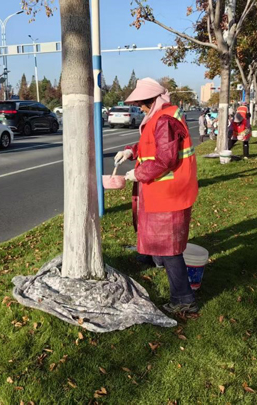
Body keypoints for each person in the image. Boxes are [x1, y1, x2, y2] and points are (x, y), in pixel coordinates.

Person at [113, 78, 199, 314]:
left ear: (152, 101)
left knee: (170, 249)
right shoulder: (160, 116)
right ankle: (152, 257)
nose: (139, 108)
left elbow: (165, 159)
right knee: (157, 235)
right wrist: (130, 151)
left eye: (141, 103)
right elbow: (150, 144)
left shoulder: (164, 120)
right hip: (163, 190)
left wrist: (138, 173)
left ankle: (184, 299)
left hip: (169, 192)